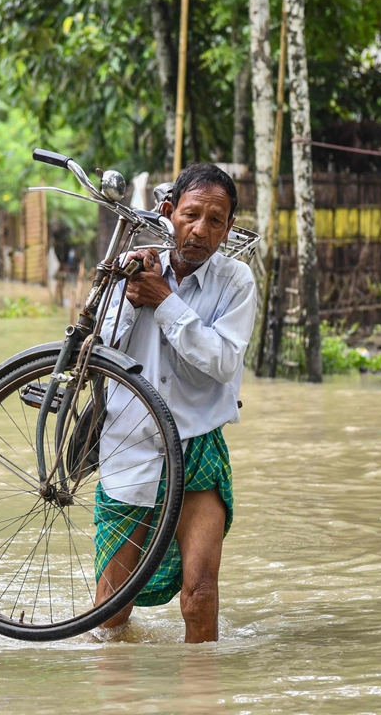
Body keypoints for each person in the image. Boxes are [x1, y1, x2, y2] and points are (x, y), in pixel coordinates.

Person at [95, 163, 256, 644]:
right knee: (111, 609)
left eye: (215, 220)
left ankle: (200, 696)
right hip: (130, 445)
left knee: (200, 596)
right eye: (191, 215)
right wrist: (129, 292)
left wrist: (165, 301)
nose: (201, 231)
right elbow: (98, 348)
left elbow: (224, 361)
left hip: (197, 446)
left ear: (228, 228)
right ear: (169, 213)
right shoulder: (134, 265)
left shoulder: (236, 282)